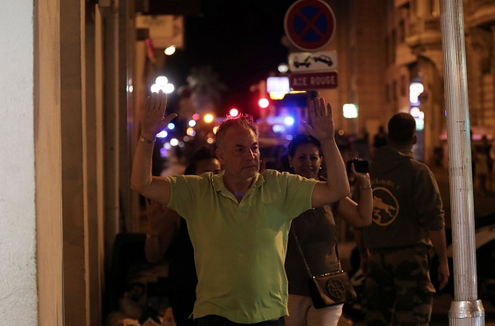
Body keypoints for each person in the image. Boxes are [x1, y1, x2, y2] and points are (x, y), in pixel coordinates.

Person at [131, 91, 350, 326]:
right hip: (214, 315)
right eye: (239, 149)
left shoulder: (279, 185)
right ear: (221, 155)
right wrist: (147, 137)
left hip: (267, 315)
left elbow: (337, 190)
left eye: (254, 147)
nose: (251, 155)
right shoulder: (198, 190)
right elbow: (142, 184)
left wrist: (328, 141)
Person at [354, 113, 450, 326]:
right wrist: (442, 259)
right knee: (412, 319)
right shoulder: (418, 172)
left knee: (377, 319)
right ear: (414, 139)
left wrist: (363, 255)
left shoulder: (368, 172)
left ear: (387, 138)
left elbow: (358, 219)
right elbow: (434, 220)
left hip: (376, 257)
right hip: (411, 258)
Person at [284, 134, 373, 326]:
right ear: (290, 160)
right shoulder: (281, 192)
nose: (308, 162)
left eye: (313, 157)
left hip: (328, 285)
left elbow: (362, 218)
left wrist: (364, 181)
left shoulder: (330, 192)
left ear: (321, 160)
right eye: (301, 157)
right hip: (289, 289)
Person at [145, 146, 221, 326]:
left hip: (222, 296)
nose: (212, 178)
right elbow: (153, 256)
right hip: (188, 293)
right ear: (192, 177)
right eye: (206, 173)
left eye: (217, 172)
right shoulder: (179, 209)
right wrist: (153, 226)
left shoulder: (228, 206)